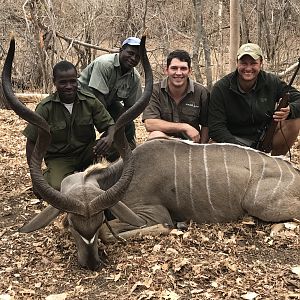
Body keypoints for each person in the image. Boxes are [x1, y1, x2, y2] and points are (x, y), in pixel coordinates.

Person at [23, 61, 115, 191]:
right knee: (55, 188)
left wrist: (109, 138)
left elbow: (110, 125)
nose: (69, 86)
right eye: (63, 82)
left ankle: (89, 175)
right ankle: (53, 176)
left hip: (87, 152)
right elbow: (31, 142)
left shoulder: (89, 101)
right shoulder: (45, 108)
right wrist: (35, 175)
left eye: (73, 81)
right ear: (54, 82)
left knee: (117, 145)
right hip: (60, 158)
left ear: (77, 80)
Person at [208, 43, 300, 156]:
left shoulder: (272, 82)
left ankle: (276, 163)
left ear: (261, 63)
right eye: (243, 63)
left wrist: (290, 110)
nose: (248, 68)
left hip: (264, 137)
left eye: (253, 63)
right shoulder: (221, 88)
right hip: (233, 140)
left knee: (295, 120)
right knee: (213, 146)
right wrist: (240, 149)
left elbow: (297, 98)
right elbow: (216, 127)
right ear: (237, 63)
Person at [78, 36, 142, 160]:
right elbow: (97, 98)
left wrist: (114, 131)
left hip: (107, 103)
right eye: (130, 53)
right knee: (86, 129)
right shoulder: (104, 64)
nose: (133, 58)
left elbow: (129, 108)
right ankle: (89, 156)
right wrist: (111, 131)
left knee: (128, 124)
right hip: (84, 101)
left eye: (138, 57)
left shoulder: (135, 77)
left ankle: (126, 157)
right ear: (121, 50)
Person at [142, 49, 209, 143]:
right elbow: (150, 124)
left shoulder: (201, 92)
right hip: (167, 143)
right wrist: (184, 127)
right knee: (155, 135)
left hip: (192, 146)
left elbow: (206, 125)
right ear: (166, 70)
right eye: (174, 68)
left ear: (190, 71)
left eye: (183, 68)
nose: (178, 73)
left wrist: (202, 148)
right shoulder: (154, 90)